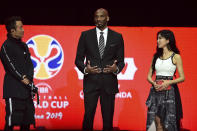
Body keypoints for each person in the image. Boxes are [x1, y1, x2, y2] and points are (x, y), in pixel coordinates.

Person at [75, 8, 125, 131]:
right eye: (96, 16)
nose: (98, 19)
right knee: (88, 118)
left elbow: (121, 61)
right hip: (91, 82)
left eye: (102, 16)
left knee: (108, 120)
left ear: (107, 18)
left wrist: (115, 68)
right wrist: (86, 70)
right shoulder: (85, 35)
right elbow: (78, 60)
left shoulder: (117, 37)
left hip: (109, 83)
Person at [0, 16, 35, 131]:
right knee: (11, 122)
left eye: (22, 27)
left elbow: (30, 65)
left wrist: (29, 79)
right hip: (13, 90)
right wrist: (21, 77)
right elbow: (10, 65)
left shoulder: (24, 46)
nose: (23, 29)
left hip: (26, 90)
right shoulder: (6, 46)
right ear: (12, 31)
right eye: (20, 27)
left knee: (27, 122)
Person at [146, 30, 185, 131]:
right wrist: (153, 83)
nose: (157, 40)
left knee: (168, 123)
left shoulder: (176, 56)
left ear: (167, 40)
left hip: (170, 91)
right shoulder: (156, 57)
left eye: (160, 38)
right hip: (156, 91)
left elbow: (182, 77)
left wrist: (168, 82)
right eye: (157, 38)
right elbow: (149, 76)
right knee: (156, 124)